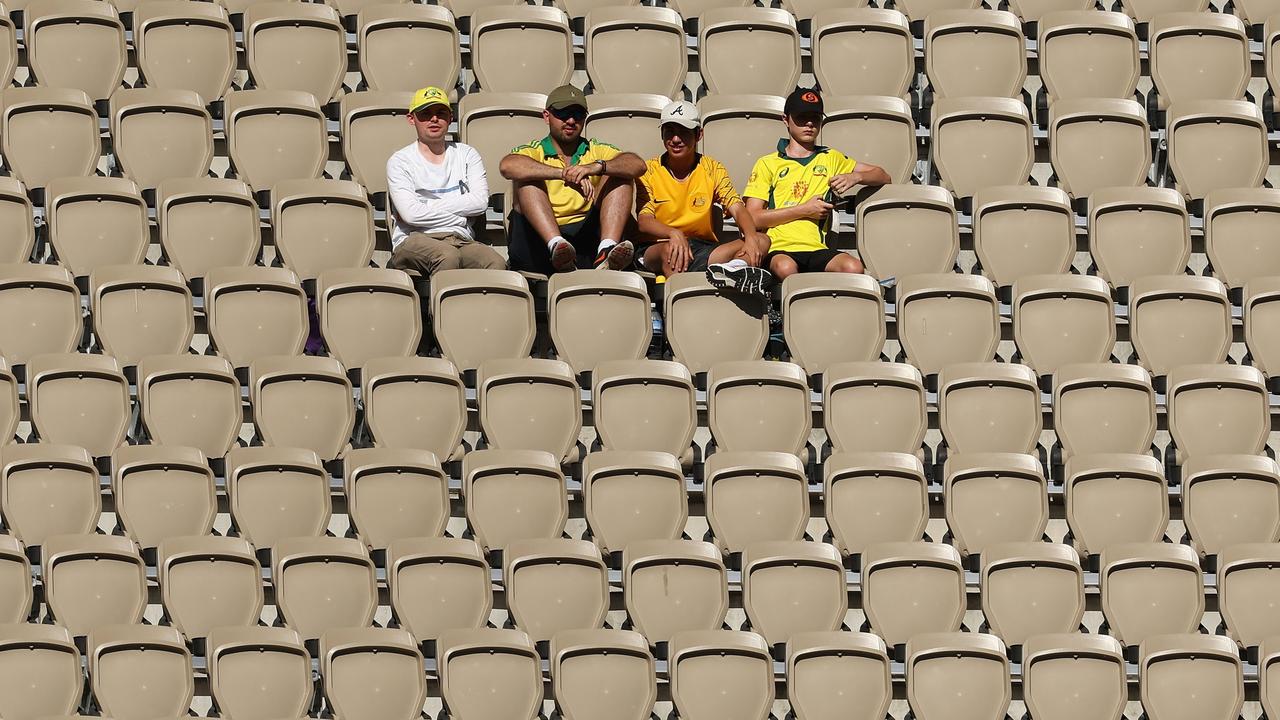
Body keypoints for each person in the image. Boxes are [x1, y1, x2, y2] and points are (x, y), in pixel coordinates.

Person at [727, 87, 891, 288]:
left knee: (853, 267)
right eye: (801, 118)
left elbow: (883, 175)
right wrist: (804, 209)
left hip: (816, 247)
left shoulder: (830, 157)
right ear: (786, 120)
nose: (810, 124)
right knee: (786, 268)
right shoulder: (767, 163)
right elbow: (751, 217)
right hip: (779, 247)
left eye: (815, 118)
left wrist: (855, 177)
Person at [500, 85, 648, 274]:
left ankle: (606, 250)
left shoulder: (595, 149)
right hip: (537, 244)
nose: (571, 120)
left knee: (620, 173)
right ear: (546, 116)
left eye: (577, 114)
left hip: (587, 239)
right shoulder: (533, 150)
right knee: (526, 179)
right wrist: (562, 173)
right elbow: (507, 166)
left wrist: (596, 167)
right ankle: (556, 244)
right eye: (562, 113)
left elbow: (637, 165)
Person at [636, 100, 772, 295]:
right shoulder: (649, 170)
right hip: (657, 247)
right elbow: (644, 221)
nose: (675, 139)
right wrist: (674, 234)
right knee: (670, 252)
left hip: (703, 249)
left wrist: (750, 237)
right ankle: (682, 306)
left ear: (698, 134)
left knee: (761, 240)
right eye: (669, 131)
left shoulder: (712, 168)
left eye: (683, 131)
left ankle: (735, 269)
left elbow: (737, 207)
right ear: (662, 134)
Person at [386, 86, 505, 275]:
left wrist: (426, 205)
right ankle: (442, 305)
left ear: (450, 117)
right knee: (447, 256)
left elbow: (480, 203)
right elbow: (411, 216)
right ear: (411, 119)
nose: (434, 119)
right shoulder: (400, 161)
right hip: (414, 238)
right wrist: (460, 216)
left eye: (440, 113)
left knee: (495, 262)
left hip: (461, 238)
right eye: (425, 114)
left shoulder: (467, 154)